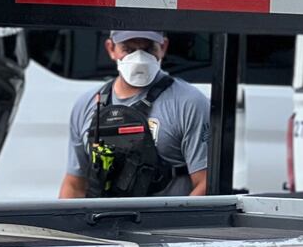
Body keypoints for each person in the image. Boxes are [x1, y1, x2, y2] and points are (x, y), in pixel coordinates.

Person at [59, 30, 210, 200]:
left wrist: (177, 222)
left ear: (163, 47)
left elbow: (205, 184)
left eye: (148, 49)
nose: (139, 58)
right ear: (111, 49)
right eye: (129, 50)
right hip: (103, 221)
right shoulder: (87, 104)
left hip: (162, 223)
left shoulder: (189, 103)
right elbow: (74, 184)